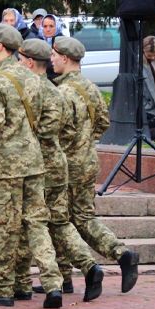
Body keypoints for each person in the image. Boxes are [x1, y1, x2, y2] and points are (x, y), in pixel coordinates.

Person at [0, 24, 61, 308]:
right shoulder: (33, 78)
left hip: (7, 165)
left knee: (4, 227)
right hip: (34, 162)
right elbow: (49, 121)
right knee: (36, 224)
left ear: (0, 46)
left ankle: (3, 289)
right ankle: (53, 283)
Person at [16, 39, 104, 303]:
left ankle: (28, 281)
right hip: (63, 162)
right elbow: (92, 124)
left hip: (40, 164)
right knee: (60, 220)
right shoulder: (59, 90)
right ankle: (86, 267)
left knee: (33, 222)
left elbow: (37, 131)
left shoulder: (41, 90)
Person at [52, 36, 140, 294]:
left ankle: (67, 275)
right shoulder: (90, 87)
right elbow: (102, 122)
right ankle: (117, 256)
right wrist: (85, 140)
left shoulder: (62, 92)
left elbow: (60, 132)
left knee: (61, 220)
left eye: (55, 55)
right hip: (88, 160)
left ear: (66, 58)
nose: (52, 60)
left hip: (68, 164)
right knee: (78, 217)